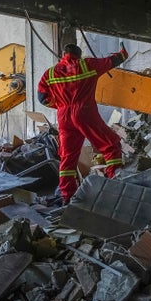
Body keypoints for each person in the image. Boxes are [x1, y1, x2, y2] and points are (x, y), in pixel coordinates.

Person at [37, 42, 129, 205]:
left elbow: (42, 98)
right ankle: (115, 186)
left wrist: (59, 105)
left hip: (64, 116)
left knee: (67, 158)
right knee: (111, 145)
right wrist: (123, 51)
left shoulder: (50, 73)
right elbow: (113, 60)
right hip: (84, 111)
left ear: (63, 54)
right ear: (79, 55)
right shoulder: (87, 65)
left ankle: (68, 198)